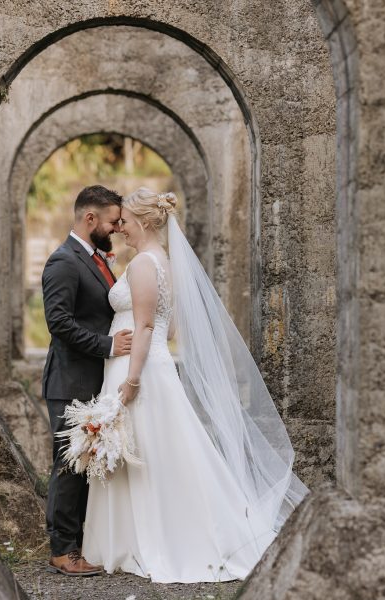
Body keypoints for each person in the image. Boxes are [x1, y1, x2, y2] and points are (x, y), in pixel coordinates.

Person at [81, 188, 309, 583]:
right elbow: (170, 327)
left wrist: (133, 379)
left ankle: (146, 539)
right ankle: (136, 536)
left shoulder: (143, 265)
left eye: (127, 222)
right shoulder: (164, 263)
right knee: (152, 449)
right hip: (147, 362)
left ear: (146, 222)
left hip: (138, 370)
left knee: (145, 450)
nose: (122, 229)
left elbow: (148, 326)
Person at [40, 185, 133, 576]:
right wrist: (109, 346)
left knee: (86, 465)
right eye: (112, 221)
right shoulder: (63, 261)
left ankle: (79, 543)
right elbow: (59, 323)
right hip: (70, 382)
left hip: (94, 380)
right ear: (89, 218)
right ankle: (63, 551)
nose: (115, 227)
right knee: (69, 465)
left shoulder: (94, 259)